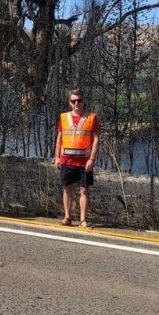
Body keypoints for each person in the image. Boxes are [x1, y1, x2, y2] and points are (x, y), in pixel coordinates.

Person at [54, 89, 99, 227]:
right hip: (67, 160)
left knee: (84, 190)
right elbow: (59, 137)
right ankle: (67, 217)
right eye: (73, 101)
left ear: (84, 101)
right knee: (67, 188)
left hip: (84, 162)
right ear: (69, 102)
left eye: (79, 100)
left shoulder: (91, 118)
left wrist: (91, 159)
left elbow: (96, 139)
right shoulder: (63, 117)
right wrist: (57, 157)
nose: (76, 103)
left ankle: (83, 219)